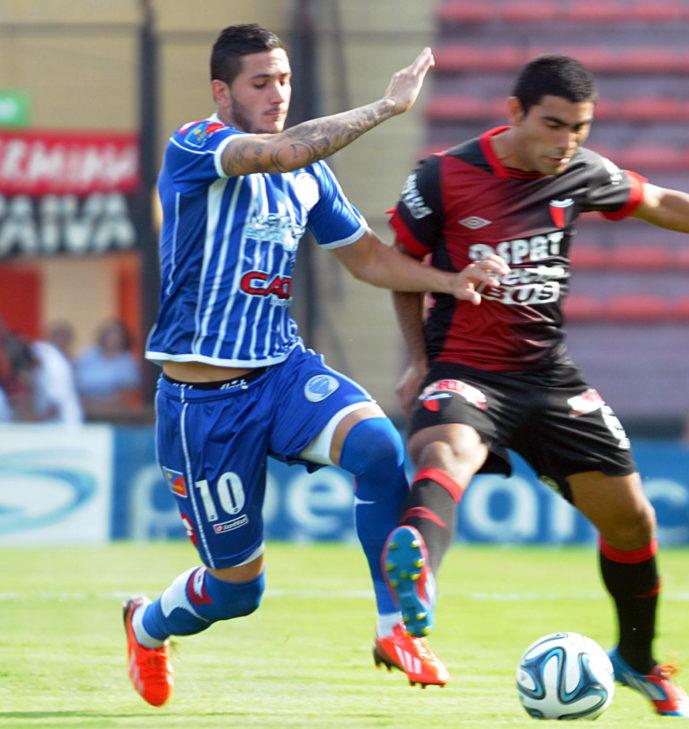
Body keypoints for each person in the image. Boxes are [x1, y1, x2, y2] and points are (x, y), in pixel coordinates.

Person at [383, 55, 689, 718]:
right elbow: (400, 265)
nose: (565, 140)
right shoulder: (445, 174)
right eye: (553, 125)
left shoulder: (579, 171)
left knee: (631, 519)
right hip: (465, 368)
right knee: (446, 453)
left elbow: (657, 201)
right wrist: (420, 360)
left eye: (580, 127)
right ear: (514, 113)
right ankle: (418, 569)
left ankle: (637, 658)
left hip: (547, 376)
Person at [122, 24, 507, 707]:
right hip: (203, 405)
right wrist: (386, 108)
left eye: (284, 79)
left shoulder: (307, 175)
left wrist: (452, 280)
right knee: (238, 590)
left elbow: (365, 257)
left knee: (378, 448)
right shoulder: (196, 146)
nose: (276, 94)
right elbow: (280, 150)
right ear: (223, 92)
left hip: (281, 373)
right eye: (260, 82)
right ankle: (148, 625)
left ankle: (396, 628)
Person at [75, 319, 142, 415]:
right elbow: (75, 382)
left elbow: (129, 393)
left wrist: (104, 404)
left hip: (117, 413)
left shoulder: (127, 361)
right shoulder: (88, 355)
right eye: (110, 335)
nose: (113, 338)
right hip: (86, 410)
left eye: (117, 335)